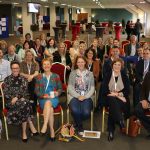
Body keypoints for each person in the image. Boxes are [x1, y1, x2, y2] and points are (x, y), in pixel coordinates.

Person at [3, 61, 38, 142]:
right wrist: (15, 98)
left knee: (24, 104)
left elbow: (24, 91)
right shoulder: (7, 79)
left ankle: (24, 133)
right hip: (11, 102)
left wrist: (17, 97)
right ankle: (30, 124)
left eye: (17, 68)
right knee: (25, 103)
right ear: (11, 69)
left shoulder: (23, 79)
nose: (15, 69)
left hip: (22, 101)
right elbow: (6, 93)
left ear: (19, 69)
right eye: (13, 68)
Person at [102, 58, 130, 141]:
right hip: (109, 97)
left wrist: (117, 94)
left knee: (113, 108)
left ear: (121, 66)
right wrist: (114, 95)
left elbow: (128, 91)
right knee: (111, 99)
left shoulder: (124, 75)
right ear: (112, 65)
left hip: (121, 99)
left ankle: (111, 131)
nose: (117, 66)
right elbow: (104, 89)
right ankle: (120, 120)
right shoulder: (108, 75)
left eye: (119, 65)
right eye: (115, 64)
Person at [35, 58, 62, 141]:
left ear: (51, 65)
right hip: (43, 99)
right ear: (42, 66)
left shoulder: (56, 76)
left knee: (49, 103)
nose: (46, 66)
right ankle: (51, 130)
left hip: (54, 98)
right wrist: (43, 96)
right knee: (49, 107)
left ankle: (45, 125)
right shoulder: (39, 77)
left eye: (48, 64)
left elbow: (60, 89)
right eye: (44, 64)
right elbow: (36, 91)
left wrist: (57, 93)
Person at [68, 56, 95, 132]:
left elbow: (92, 88)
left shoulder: (90, 74)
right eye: (78, 62)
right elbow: (70, 87)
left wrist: (85, 96)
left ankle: (76, 121)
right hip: (74, 96)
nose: (80, 63)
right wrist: (78, 96)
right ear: (76, 63)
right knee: (75, 110)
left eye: (82, 62)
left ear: (85, 63)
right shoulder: (72, 73)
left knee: (86, 113)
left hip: (87, 96)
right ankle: (79, 125)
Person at [134, 71, 150, 139]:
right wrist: (143, 100)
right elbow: (143, 89)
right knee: (137, 110)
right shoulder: (148, 74)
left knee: (132, 113)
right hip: (147, 100)